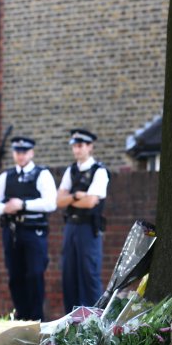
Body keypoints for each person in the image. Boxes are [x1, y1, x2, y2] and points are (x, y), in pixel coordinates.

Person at [0, 136, 57, 321]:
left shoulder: (42, 174)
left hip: (34, 231)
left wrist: (23, 204)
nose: (20, 155)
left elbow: (50, 203)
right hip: (11, 231)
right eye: (17, 152)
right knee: (15, 275)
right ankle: (21, 316)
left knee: (34, 274)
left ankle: (36, 318)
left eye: (24, 152)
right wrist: (4, 208)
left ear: (31, 153)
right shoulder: (6, 176)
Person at [57, 128, 109, 313]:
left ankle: (94, 319)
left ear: (90, 147)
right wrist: (76, 195)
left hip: (88, 228)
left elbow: (90, 202)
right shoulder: (70, 171)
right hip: (71, 226)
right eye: (74, 146)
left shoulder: (99, 171)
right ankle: (70, 320)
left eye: (80, 146)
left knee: (89, 274)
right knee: (68, 274)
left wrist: (71, 198)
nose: (76, 150)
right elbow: (59, 201)